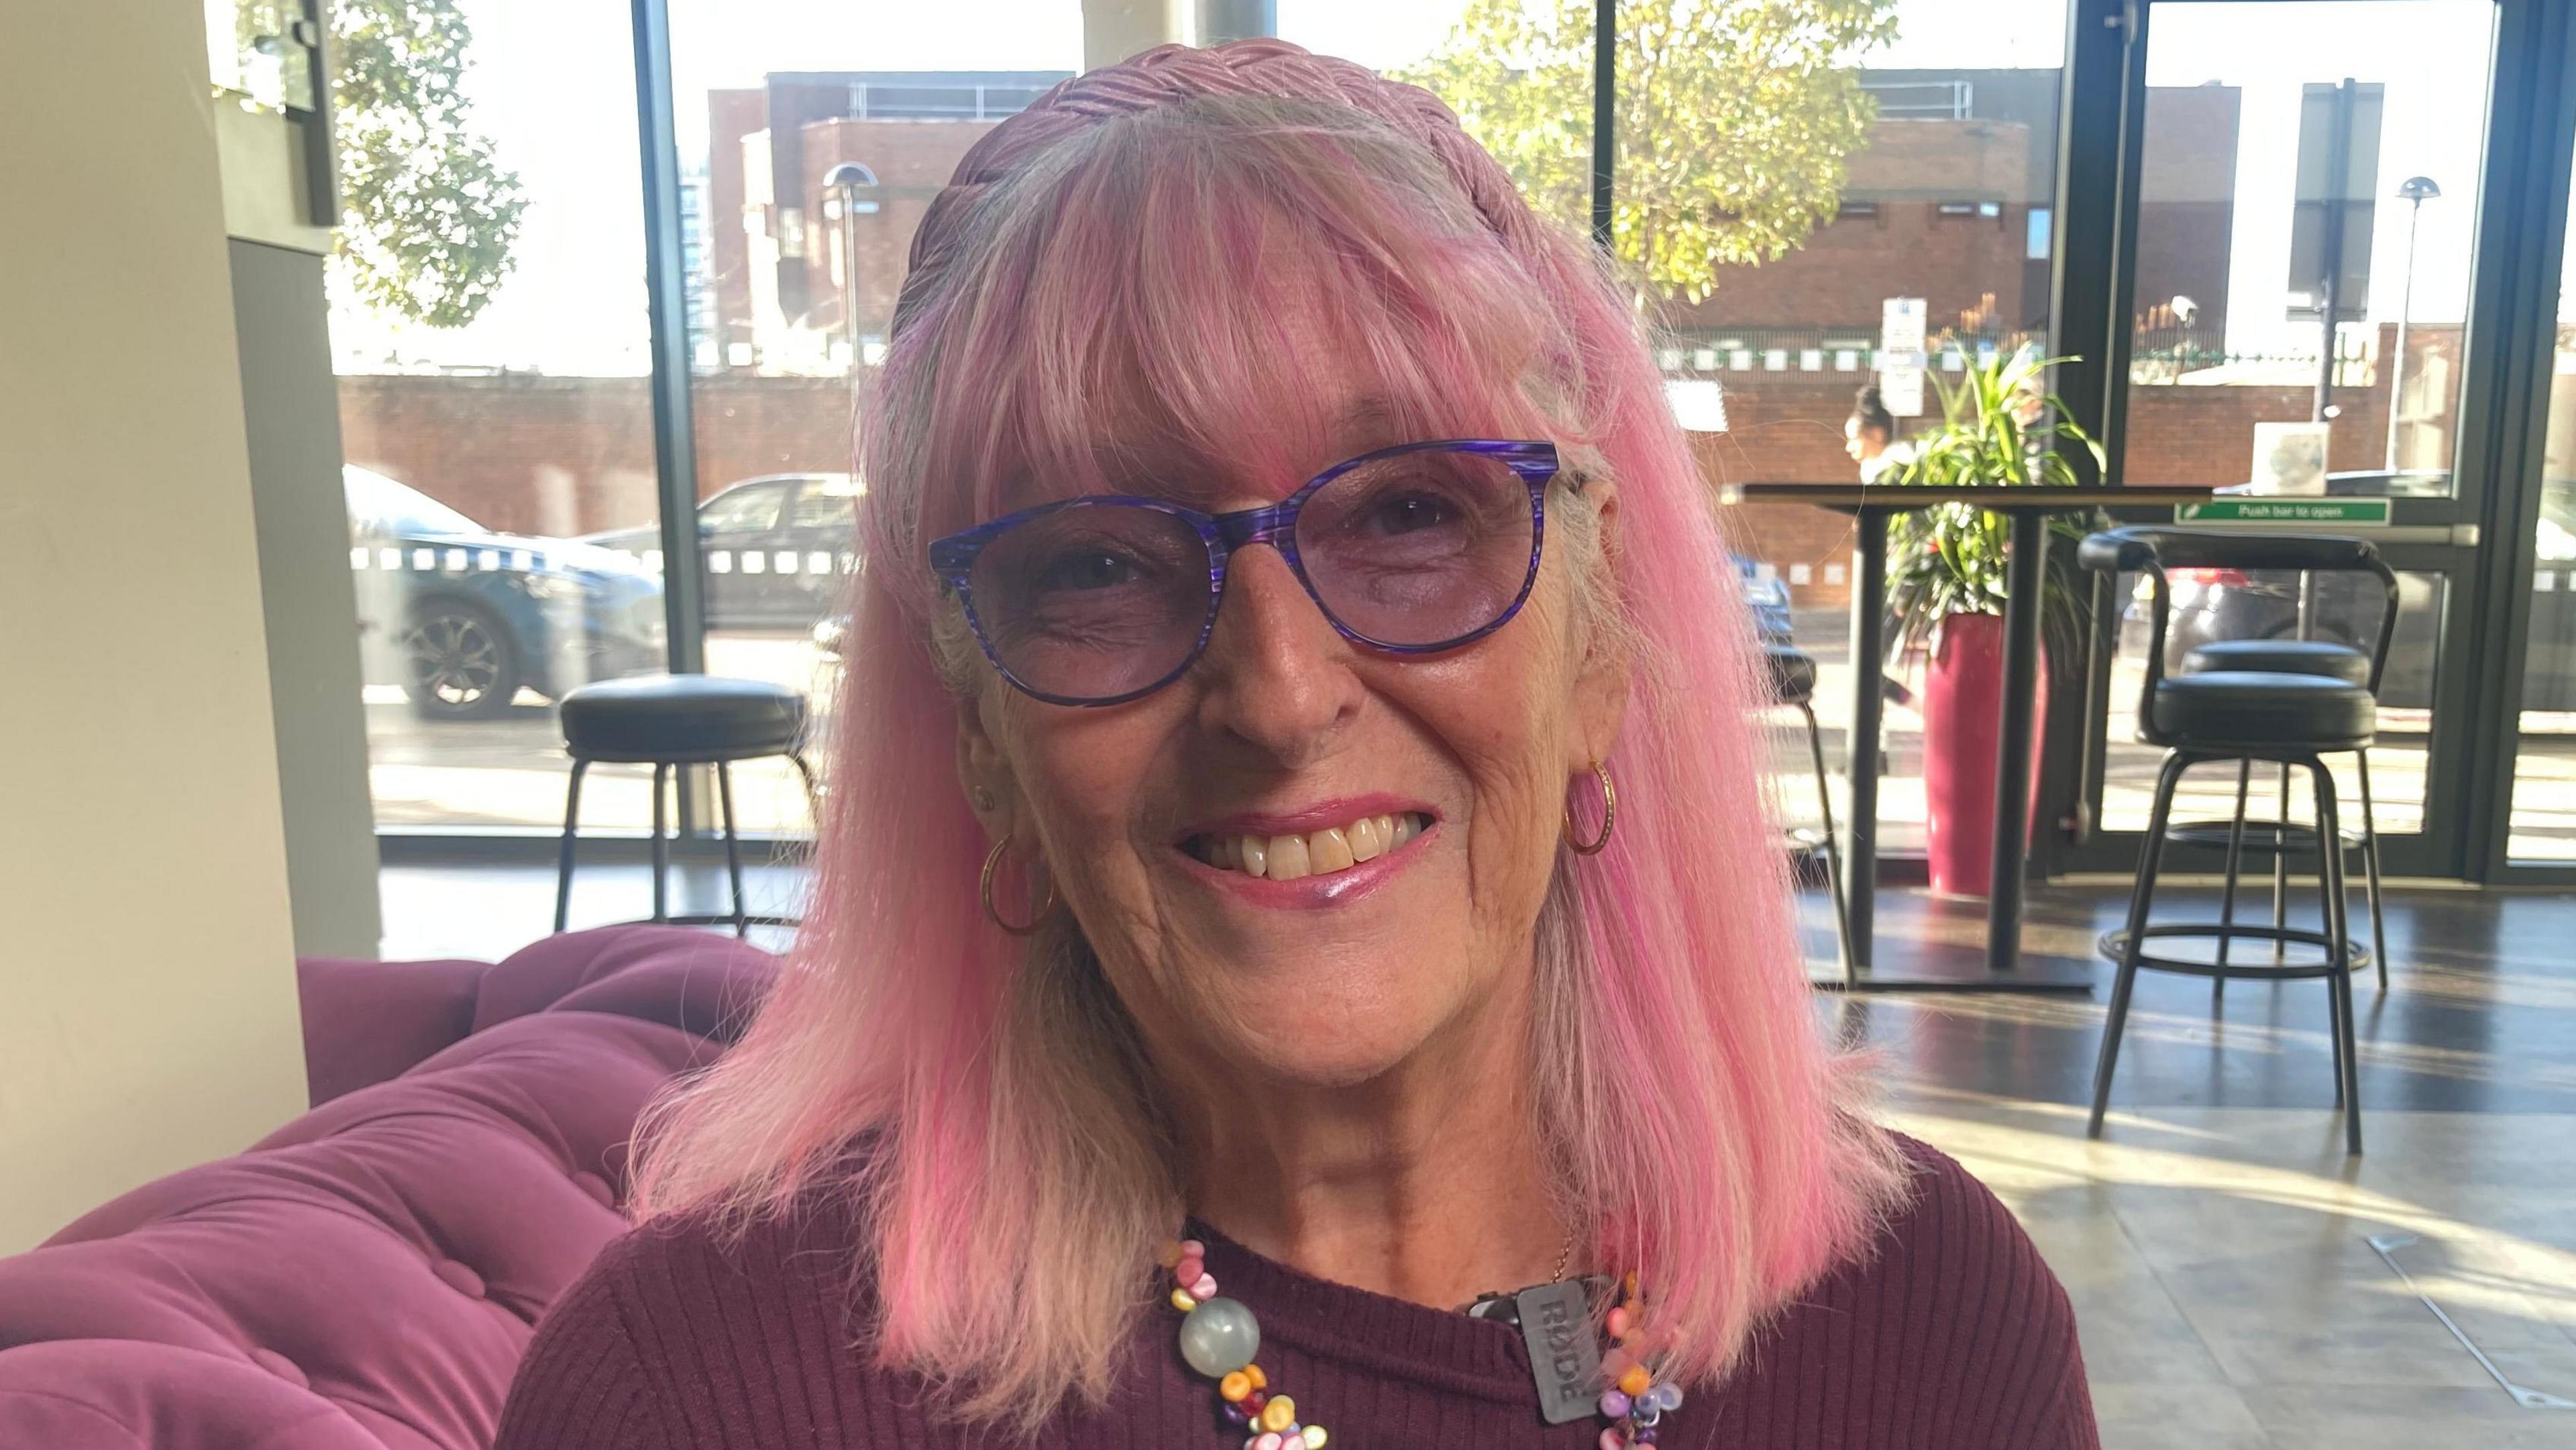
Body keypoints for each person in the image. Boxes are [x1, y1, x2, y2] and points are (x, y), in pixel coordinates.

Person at [497, 41, 2096, 1450]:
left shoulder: (1929, 1327)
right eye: (1099, 563)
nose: (1276, 690)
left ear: (1598, 641)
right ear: (977, 732)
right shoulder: (694, 1385)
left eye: (1409, 512)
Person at [1846, 382, 1917, 484]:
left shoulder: (1901, 473)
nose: (1848, 448)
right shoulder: (1870, 470)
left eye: (1855, 439)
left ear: (1877, 434)